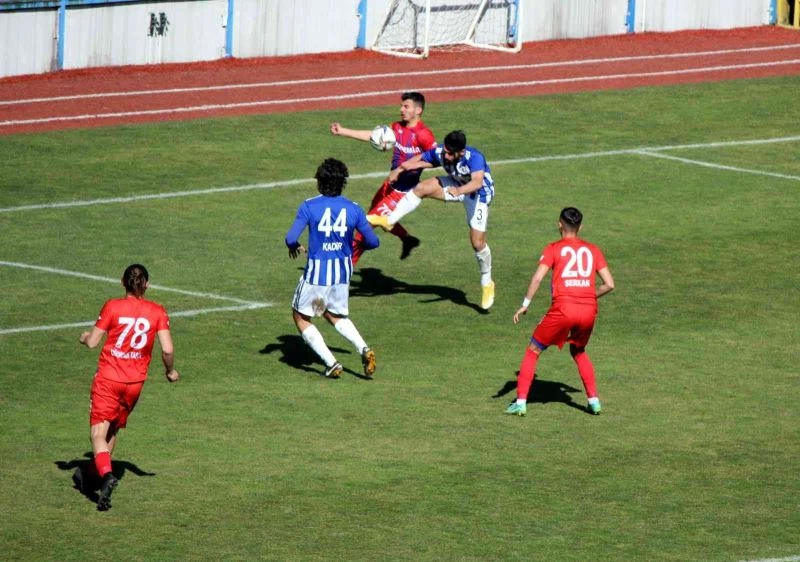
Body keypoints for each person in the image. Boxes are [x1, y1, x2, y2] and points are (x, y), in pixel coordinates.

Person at [74, 263, 179, 511]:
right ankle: (93, 476)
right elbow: (167, 349)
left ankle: (106, 476)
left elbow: (93, 342)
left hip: (108, 380)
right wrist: (169, 371)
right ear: (147, 284)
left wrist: (84, 337)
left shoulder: (113, 306)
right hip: (134, 384)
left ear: (123, 282)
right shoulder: (157, 311)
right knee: (111, 431)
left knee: (98, 434)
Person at [368, 130, 496, 310]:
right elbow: (421, 158)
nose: (446, 155)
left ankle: (487, 282)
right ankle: (389, 220)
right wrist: (401, 168)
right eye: (446, 151)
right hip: (456, 184)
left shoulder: (474, 158)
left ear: (461, 151)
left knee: (477, 243)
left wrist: (459, 191)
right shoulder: (442, 152)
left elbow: (477, 182)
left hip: (478, 195)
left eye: (450, 153)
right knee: (420, 188)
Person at [505, 207, 615, 417]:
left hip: (563, 308)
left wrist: (525, 304)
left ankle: (520, 402)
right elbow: (609, 284)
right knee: (579, 351)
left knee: (533, 350)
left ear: (559, 224)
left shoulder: (553, 248)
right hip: (589, 310)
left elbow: (538, 278)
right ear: (580, 227)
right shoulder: (593, 250)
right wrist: (587, 295)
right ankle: (594, 401)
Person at [286, 158, 380, 379]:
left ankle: (331, 363)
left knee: (300, 316)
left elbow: (290, 238)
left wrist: (294, 246)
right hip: (342, 273)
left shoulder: (309, 206)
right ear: (342, 183)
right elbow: (373, 241)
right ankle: (364, 348)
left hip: (317, 274)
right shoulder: (354, 209)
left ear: (320, 181)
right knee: (330, 312)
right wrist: (356, 245)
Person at [330, 91, 436, 264]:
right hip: (389, 186)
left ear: (418, 110)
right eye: (401, 106)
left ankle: (343, 270)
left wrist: (406, 167)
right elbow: (374, 136)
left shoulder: (424, 134)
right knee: (376, 216)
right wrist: (343, 131)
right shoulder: (397, 127)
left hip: (403, 193)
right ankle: (407, 239)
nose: (401, 109)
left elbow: (436, 159)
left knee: (364, 229)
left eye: (406, 106)